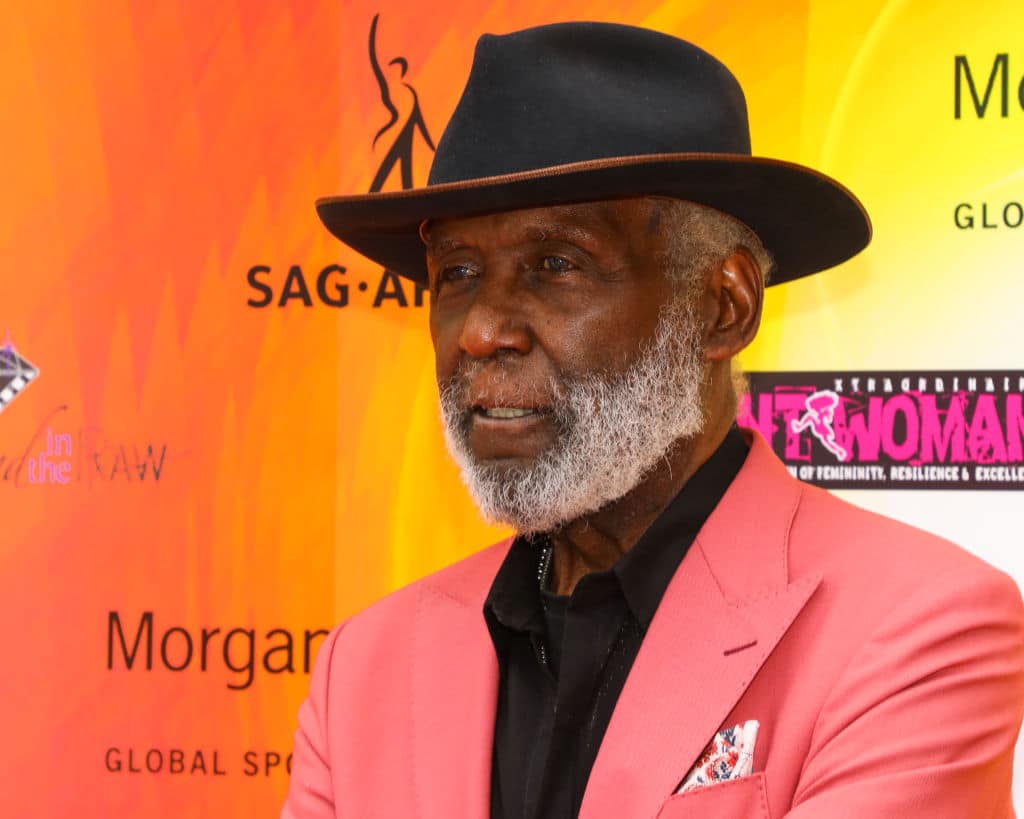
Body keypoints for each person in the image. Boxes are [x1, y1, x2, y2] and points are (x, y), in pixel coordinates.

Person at [284, 21, 1024, 818]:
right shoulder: (363, 669)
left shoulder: (917, 627)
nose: (481, 330)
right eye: (457, 272)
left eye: (555, 264)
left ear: (722, 307)